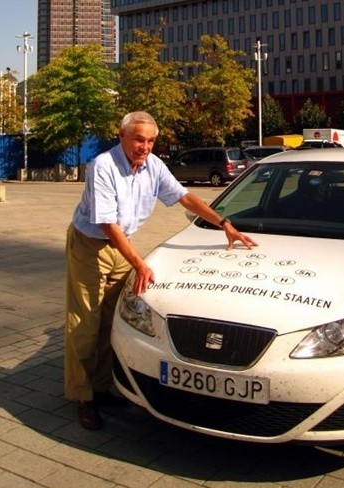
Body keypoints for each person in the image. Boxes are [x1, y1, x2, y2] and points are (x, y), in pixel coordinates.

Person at [65, 111, 258, 430]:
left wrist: (224, 224)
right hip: (90, 245)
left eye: (151, 140)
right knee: (85, 324)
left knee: (108, 323)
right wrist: (138, 263)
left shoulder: (153, 166)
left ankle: (100, 387)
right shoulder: (103, 166)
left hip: (119, 244)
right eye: (139, 139)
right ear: (122, 136)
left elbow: (184, 197)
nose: (144, 146)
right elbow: (105, 222)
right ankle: (82, 397)